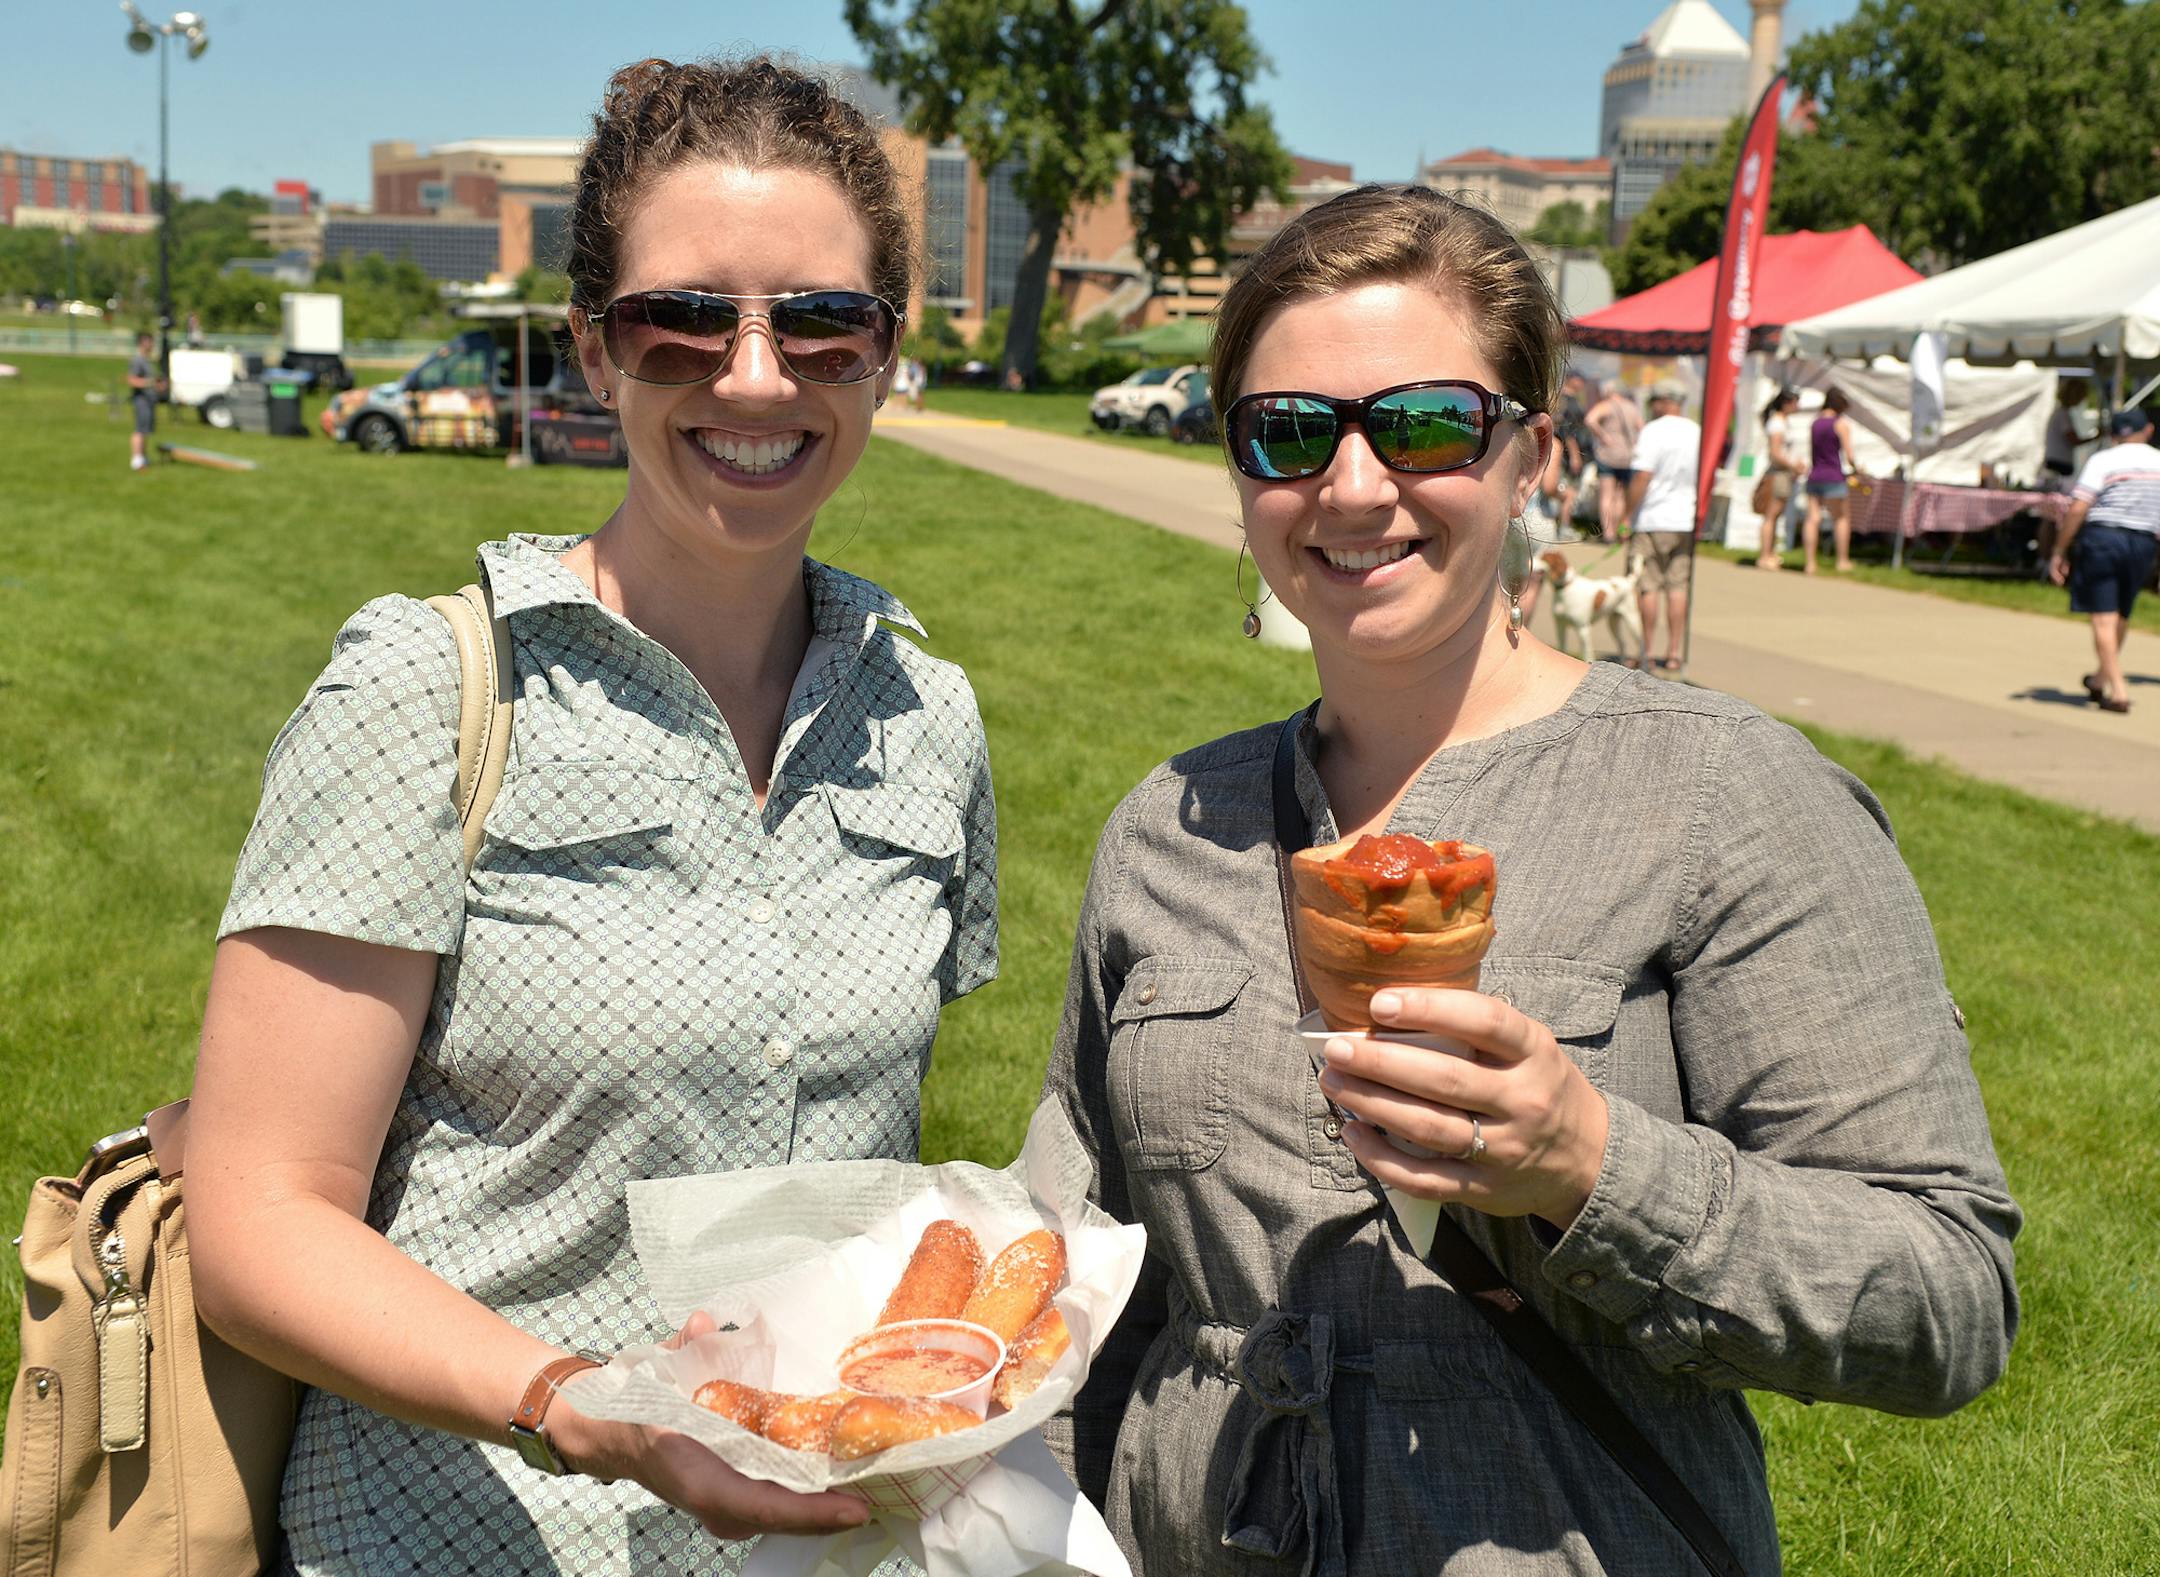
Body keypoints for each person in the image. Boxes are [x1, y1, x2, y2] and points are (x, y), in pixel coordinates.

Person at [1042, 183, 2018, 1575]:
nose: (1356, 484)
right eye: (1290, 432)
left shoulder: (1721, 795)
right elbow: (1075, 1257)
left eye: (1430, 422)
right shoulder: (1169, 824)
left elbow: (1949, 1296)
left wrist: (1592, 1167)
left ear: (1534, 455)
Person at [186, 56, 997, 1575]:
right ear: (591, 347)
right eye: (682, 320)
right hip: (459, 1536)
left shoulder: (924, 718)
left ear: (884, 354)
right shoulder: (427, 693)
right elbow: (256, 1217)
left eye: (821, 323)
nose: (755, 378)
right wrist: (574, 1401)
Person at [2048, 406, 2160, 714]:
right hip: (2143, 542)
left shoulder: (2104, 460)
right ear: (2148, 430)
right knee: (2121, 614)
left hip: (2104, 538)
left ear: (2113, 436)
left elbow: (2078, 506)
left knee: (2103, 617)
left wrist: (2059, 549)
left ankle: (2119, 690)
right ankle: (2099, 679)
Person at [1624, 382, 1700, 673]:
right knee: (1678, 586)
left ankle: (1646, 649)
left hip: (1654, 517)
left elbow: (1643, 475)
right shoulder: (1696, 431)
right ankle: (1674, 652)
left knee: (1648, 585)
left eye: (1654, 400)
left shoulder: (1653, 431)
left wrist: (1625, 514)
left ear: (1665, 401)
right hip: (1686, 517)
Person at [1800, 386, 1862, 573]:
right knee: (1841, 518)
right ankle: (1842, 560)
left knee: (1812, 519)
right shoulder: (1840, 424)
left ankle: (1810, 562)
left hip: (1815, 475)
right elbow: (1849, 455)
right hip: (1834, 476)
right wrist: (1857, 469)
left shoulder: (1815, 423)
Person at [1582, 378, 1641, 543]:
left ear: (1610, 391)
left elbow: (1590, 419)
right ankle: (1620, 531)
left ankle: (1608, 534)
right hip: (1628, 457)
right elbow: (1641, 428)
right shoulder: (1633, 408)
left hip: (1608, 455)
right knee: (1621, 496)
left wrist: (1603, 436)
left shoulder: (1606, 405)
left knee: (1606, 495)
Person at [1754, 386, 1803, 569]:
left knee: (1774, 515)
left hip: (1784, 473)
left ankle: (1770, 553)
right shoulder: (1777, 423)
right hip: (1778, 473)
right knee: (1771, 515)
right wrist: (1793, 466)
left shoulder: (1782, 422)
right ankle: (1765, 555)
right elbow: (1775, 453)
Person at [126, 329, 161, 471]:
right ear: (143, 342)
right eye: (150, 341)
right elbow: (132, 380)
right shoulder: (137, 360)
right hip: (141, 400)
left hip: (149, 400)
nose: (152, 344)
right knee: (140, 430)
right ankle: (136, 460)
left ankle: (143, 457)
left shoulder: (147, 360)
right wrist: (151, 383)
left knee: (145, 430)